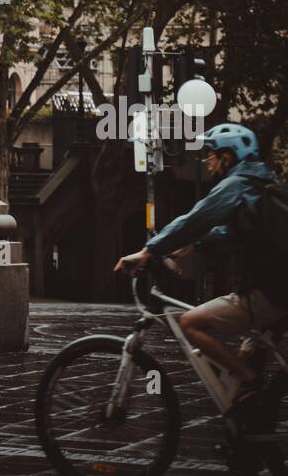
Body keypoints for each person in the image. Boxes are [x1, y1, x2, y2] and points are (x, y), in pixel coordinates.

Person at [116, 123, 287, 420]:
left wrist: (148, 251)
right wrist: (193, 245)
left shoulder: (237, 184)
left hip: (269, 293)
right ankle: (251, 435)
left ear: (228, 157)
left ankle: (252, 384)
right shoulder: (261, 184)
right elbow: (230, 235)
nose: (208, 162)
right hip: (277, 288)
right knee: (242, 367)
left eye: (211, 155)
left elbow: (197, 218)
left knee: (191, 323)